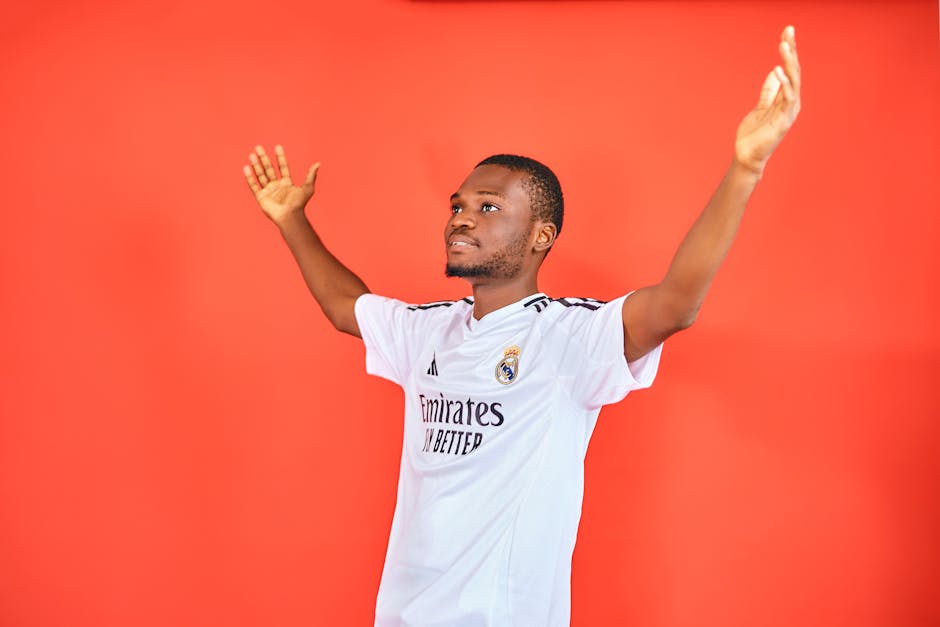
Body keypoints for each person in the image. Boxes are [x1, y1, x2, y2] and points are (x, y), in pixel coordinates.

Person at [242, 25, 801, 627]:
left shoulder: (567, 337)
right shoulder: (429, 333)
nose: (461, 219)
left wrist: (745, 168)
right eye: (458, 206)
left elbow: (675, 305)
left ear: (541, 236)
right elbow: (345, 306)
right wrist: (291, 219)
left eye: (489, 207)